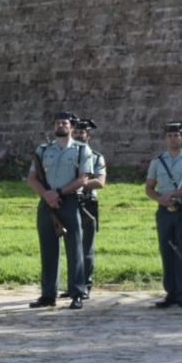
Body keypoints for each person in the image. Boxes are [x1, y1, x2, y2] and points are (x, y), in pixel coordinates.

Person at [26, 112, 92, 309]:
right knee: (48, 249)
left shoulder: (82, 149)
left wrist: (60, 193)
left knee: (75, 249)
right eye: (57, 123)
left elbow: (83, 179)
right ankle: (48, 294)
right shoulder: (43, 149)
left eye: (64, 123)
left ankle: (77, 292)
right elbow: (32, 178)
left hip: (69, 201)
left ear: (71, 127)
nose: (61, 125)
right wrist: (47, 195)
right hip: (47, 202)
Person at [145, 121, 182, 309]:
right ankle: (171, 292)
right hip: (164, 211)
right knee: (167, 251)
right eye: (169, 135)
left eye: (176, 135)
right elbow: (149, 188)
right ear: (165, 138)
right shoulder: (157, 161)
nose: (173, 138)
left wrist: (174, 195)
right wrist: (160, 199)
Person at [71, 118, 107, 297]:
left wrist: (78, 183)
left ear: (88, 135)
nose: (78, 135)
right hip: (69, 202)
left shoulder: (97, 157)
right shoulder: (66, 154)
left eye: (81, 133)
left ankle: (85, 284)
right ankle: (73, 285)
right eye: (76, 132)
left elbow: (100, 182)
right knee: (71, 246)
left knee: (86, 248)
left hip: (87, 203)